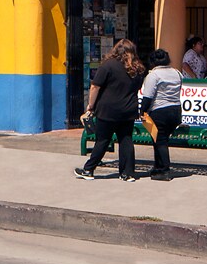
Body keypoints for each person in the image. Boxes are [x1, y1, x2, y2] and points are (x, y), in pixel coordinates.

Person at [75, 39, 145, 181]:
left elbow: (95, 86)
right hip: (128, 109)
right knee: (126, 140)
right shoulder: (138, 68)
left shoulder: (108, 65)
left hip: (108, 110)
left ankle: (88, 169)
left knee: (103, 140)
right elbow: (137, 88)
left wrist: (90, 105)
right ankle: (127, 173)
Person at [139, 48, 183, 179]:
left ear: (152, 62)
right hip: (176, 111)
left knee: (160, 140)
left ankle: (164, 170)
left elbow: (148, 97)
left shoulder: (153, 75)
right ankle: (157, 167)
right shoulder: (177, 73)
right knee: (160, 139)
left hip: (159, 111)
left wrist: (142, 112)